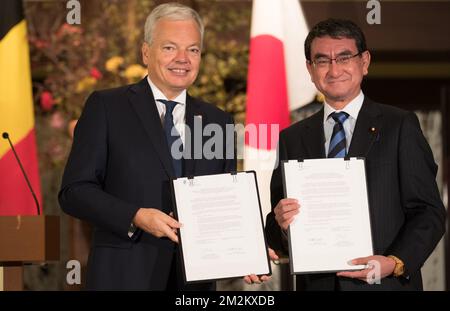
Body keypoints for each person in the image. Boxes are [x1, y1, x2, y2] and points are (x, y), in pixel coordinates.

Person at [59, 3, 272, 290]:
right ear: (146, 52)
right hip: (125, 276)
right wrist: (135, 216)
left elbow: (225, 201)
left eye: (193, 50)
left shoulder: (219, 121)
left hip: (193, 284)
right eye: (170, 48)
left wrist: (249, 251)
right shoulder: (107, 107)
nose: (182, 59)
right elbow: (74, 191)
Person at [265, 18, 446, 290]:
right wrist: (280, 224)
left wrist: (394, 262)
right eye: (322, 60)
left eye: (344, 57)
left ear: (364, 62)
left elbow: (429, 212)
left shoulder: (400, 126)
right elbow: (279, 224)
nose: (334, 69)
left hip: (385, 283)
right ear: (310, 70)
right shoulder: (292, 137)